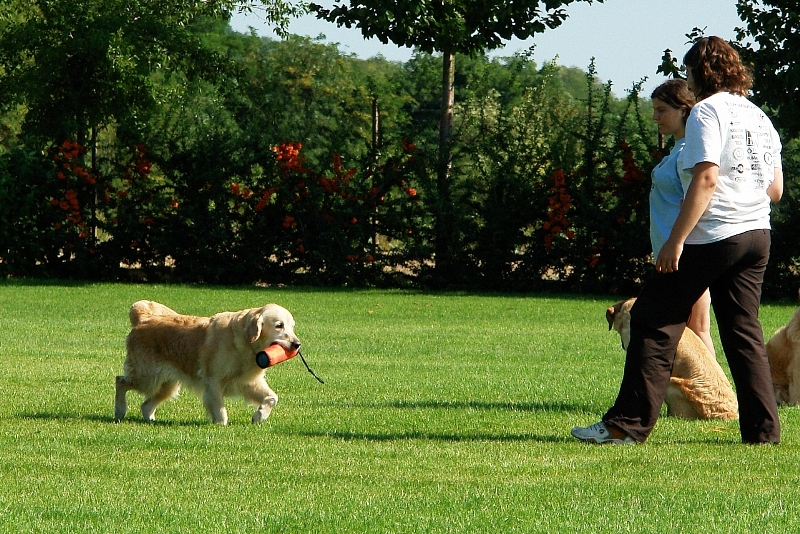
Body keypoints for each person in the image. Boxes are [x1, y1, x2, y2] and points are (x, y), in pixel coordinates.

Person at [572, 36, 784, 445]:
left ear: (700, 73)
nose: (687, 81)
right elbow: (774, 190)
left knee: (651, 319)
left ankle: (625, 426)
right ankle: (763, 433)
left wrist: (676, 240)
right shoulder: (759, 116)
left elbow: (706, 178)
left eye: (689, 73)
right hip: (757, 233)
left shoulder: (707, 110)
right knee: (743, 332)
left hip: (714, 233)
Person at [649, 79, 715, 356]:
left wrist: (677, 243)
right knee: (686, 328)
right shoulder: (679, 150)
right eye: (655, 110)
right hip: (671, 255)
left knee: (696, 328)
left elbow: (701, 196)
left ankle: (712, 385)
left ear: (684, 110)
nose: (656, 117)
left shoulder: (691, 151)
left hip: (685, 253)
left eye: (662, 110)